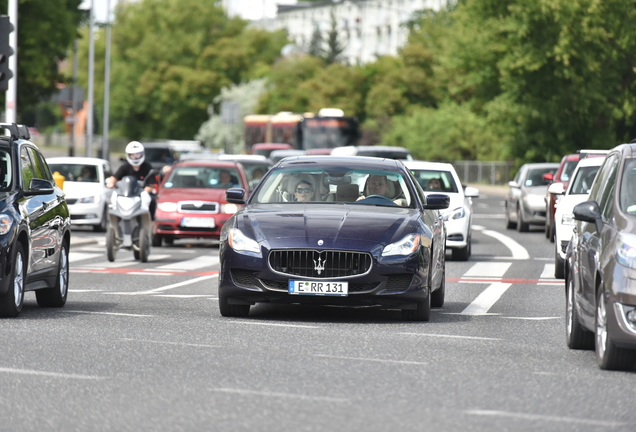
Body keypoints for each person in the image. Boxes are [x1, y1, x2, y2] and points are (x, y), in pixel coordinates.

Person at [107, 141, 158, 216]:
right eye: (132, 155)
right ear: (128, 155)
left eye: (138, 154)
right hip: (126, 195)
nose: (135, 157)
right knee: (111, 199)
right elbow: (115, 177)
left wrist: (144, 191)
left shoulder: (147, 167)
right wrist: (111, 183)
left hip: (141, 195)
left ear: (142, 154)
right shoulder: (124, 167)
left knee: (152, 200)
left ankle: (151, 220)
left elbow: (151, 185)